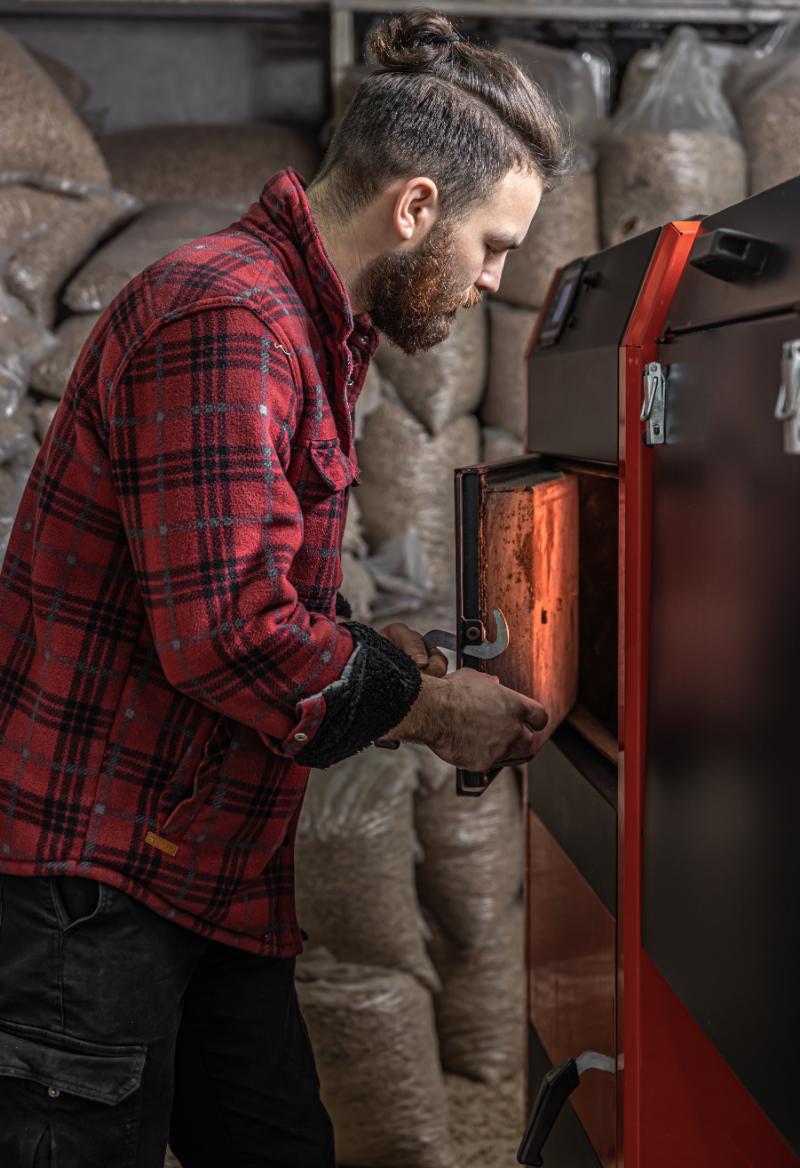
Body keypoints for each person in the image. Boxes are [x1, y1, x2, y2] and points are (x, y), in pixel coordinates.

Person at [0, 10, 568, 1167]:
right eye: (493, 245)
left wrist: (376, 652)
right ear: (414, 209)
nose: (494, 281)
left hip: (208, 870)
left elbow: (236, 580)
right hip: (90, 888)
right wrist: (426, 710)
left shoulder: (308, 329)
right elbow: (225, 633)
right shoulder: (231, 313)